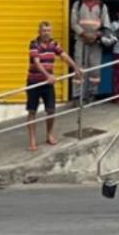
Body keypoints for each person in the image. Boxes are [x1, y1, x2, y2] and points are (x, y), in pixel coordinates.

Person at [27, 21, 81, 152]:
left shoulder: (54, 44)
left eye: (48, 31)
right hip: (34, 82)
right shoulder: (34, 44)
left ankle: (49, 135)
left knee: (51, 110)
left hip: (48, 83)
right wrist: (48, 76)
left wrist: (75, 67)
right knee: (32, 111)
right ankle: (32, 140)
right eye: (44, 31)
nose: (46, 33)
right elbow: (37, 63)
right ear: (39, 32)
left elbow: (64, 56)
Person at [70, 0, 110, 103]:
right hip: (81, 40)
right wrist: (84, 34)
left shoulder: (102, 6)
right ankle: (77, 96)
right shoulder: (78, 4)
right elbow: (73, 23)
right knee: (79, 67)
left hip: (96, 42)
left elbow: (106, 25)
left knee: (95, 68)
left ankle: (92, 94)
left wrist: (96, 35)